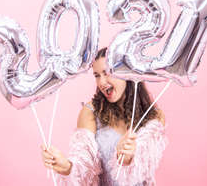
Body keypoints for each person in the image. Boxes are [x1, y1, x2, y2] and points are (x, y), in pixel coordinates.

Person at [40, 47, 167, 186]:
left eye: (107, 73)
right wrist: (67, 167)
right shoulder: (90, 112)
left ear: (126, 72)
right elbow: (84, 167)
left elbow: (144, 167)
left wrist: (126, 159)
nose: (101, 82)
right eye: (97, 75)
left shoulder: (153, 116)